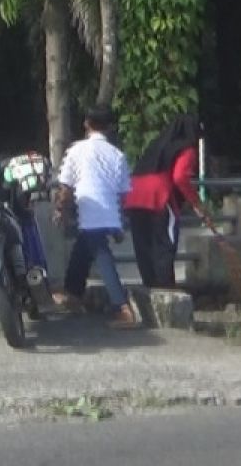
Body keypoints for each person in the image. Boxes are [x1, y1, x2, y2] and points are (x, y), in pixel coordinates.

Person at [54, 106, 139, 328]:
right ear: (109, 127)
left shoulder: (77, 150)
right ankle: (73, 295)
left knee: (102, 257)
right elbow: (123, 194)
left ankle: (123, 308)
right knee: (81, 252)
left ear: (86, 124)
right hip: (109, 213)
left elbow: (65, 187)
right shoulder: (117, 155)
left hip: (89, 211)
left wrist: (61, 210)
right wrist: (119, 223)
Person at [123, 114, 202, 289]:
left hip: (134, 197)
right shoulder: (186, 149)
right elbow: (180, 177)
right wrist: (197, 204)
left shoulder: (156, 145)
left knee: (144, 245)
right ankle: (165, 288)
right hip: (159, 197)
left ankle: (150, 287)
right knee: (164, 244)